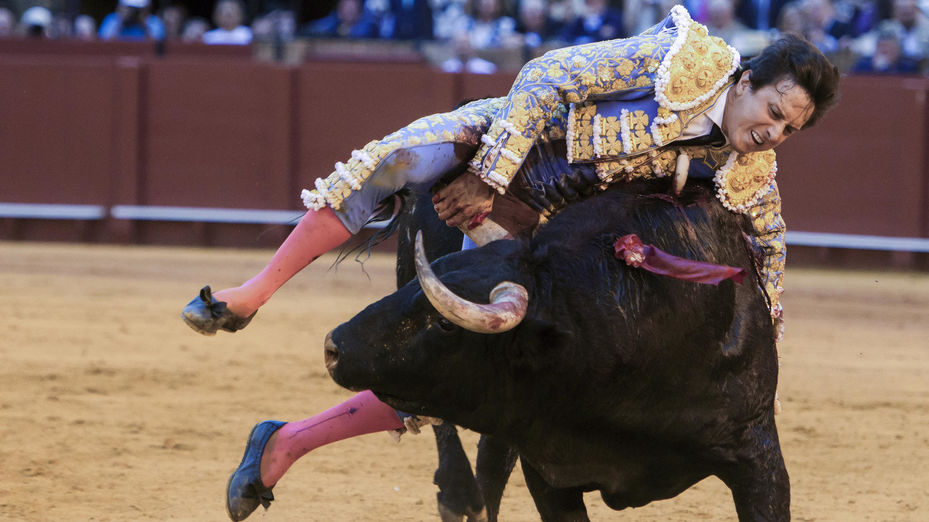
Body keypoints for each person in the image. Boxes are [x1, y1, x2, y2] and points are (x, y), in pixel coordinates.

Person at [181, 6, 839, 520]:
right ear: (746, 81)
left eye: (789, 130)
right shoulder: (685, 59)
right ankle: (252, 292)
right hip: (505, 148)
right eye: (773, 112)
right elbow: (548, 75)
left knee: (460, 367)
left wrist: (759, 347)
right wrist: (490, 176)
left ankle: (285, 442)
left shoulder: (750, 169)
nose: (773, 132)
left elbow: (766, 257)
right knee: (392, 162)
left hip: (544, 232)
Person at [98, 0, 165, 41]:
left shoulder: (154, 22)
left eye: (137, 10)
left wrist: (144, 24)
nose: (133, 13)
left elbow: (158, 46)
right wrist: (121, 21)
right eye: (129, 8)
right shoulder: (112, 20)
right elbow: (103, 43)